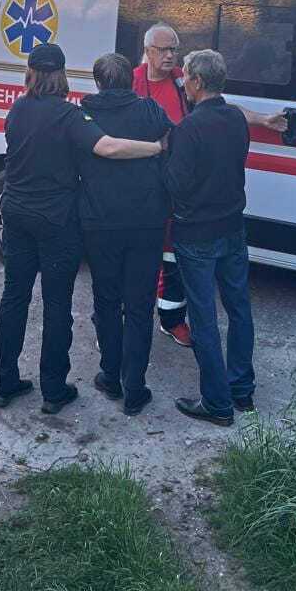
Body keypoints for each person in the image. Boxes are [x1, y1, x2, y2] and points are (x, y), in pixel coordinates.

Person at [0, 42, 165, 415]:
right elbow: (108, 148)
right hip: (55, 220)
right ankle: (54, 389)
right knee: (56, 305)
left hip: (16, 213)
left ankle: (5, 381)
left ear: (31, 73)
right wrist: (154, 149)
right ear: (62, 74)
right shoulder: (68, 116)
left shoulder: (17, 109)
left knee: (14, 297)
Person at [132, 23, 285, 348]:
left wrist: (260, 119)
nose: (171, 55)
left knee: (174, 261)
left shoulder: (181, 81)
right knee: (140, 260)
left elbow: (222, 106)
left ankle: (172, 320)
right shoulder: (132, 81)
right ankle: (130, 323)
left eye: (175, 48)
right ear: (147, 52)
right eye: (164, 49)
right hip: (145, 185)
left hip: (180, 185)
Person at [79, 53, 172, 415]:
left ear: (99, 82)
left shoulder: (84, 114)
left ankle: (110, 376)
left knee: (106, 299)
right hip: (146, 222)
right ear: (131, 82)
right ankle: (135, 387)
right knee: (139, 304)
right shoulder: (149, 111)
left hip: (99, 222)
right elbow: (170, 143)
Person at [167, 49, 254, 428]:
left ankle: (217, 404)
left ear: (198, 82)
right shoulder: (236, 118)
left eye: (185, 75)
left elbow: (176, 183)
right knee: (239, 309)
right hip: (233, 228)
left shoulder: (189, 128)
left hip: (197, 234)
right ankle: (241, 389)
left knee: (203, 318)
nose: (182, 82)